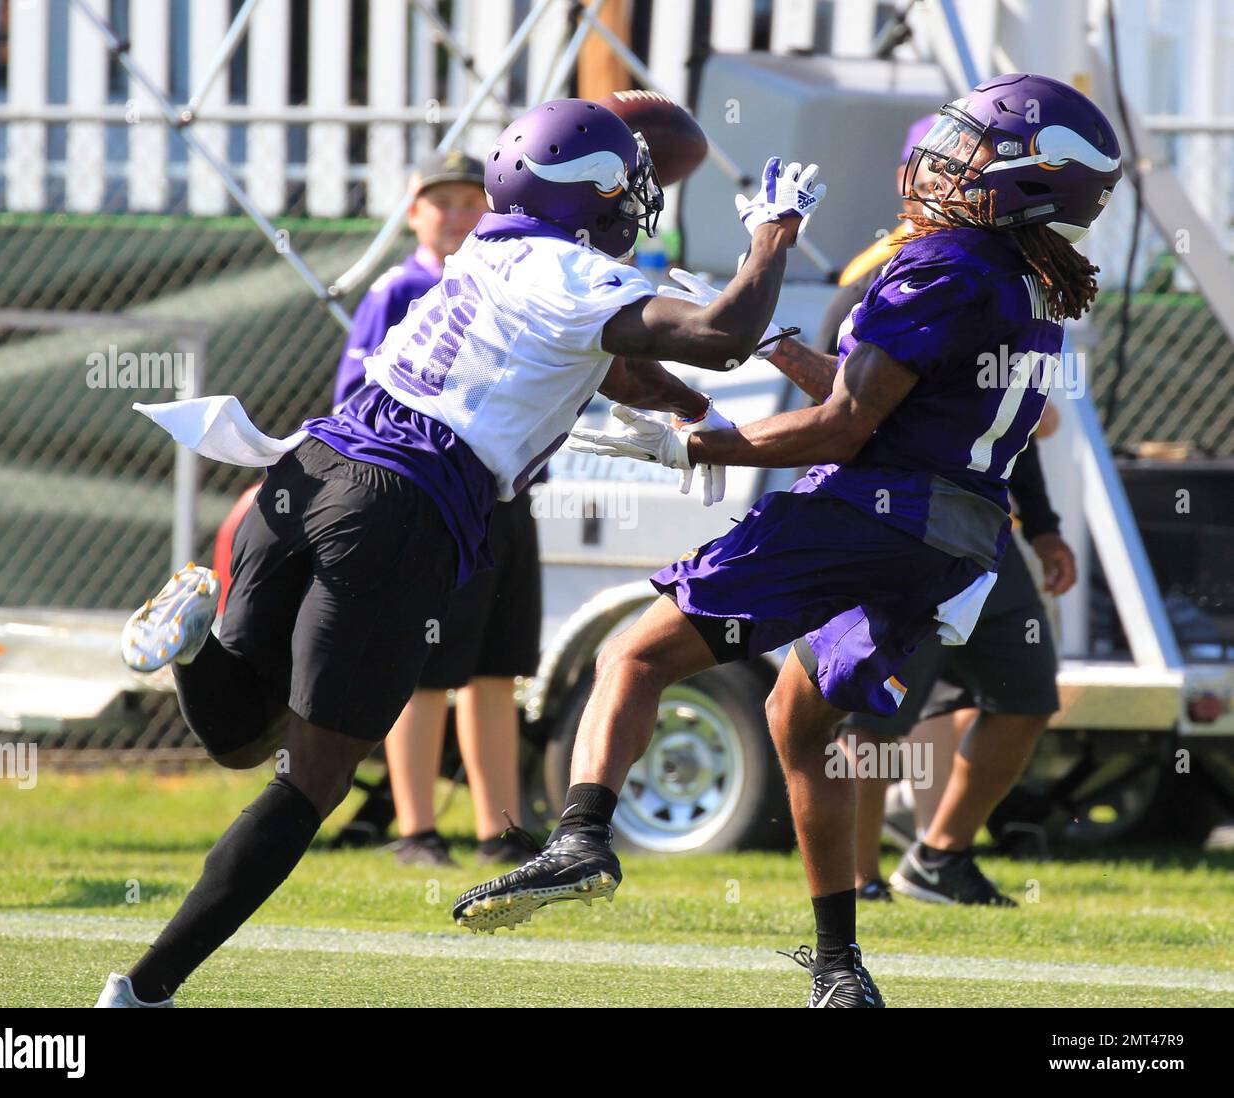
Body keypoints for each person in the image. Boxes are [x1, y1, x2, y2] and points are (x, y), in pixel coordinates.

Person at [98, 98, 820, 1007]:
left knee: (240, 738)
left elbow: (609, 359)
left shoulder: (486, 245)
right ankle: (144, 991)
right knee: (308, 786)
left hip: (310, 469)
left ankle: (195, 643)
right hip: (398, 511)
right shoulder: (571, 275)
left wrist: (682, 409)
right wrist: (774, 235)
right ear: (590, 193)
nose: (639, 198)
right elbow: (723, 335)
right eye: (626, 185)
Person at [454, 73, 1122, 1010]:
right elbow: (887, 407)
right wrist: (772, 347)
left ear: (1027, 175)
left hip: (868, 511)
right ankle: (842, 970)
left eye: (967, 150)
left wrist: (701, 442)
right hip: (954, 539)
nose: (938, 164)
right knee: (802, 723)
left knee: (632, 658)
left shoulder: (942, 264)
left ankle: (579, 839)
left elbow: (848, 429)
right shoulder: (1029, 278)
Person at [809, 118, 1077, 905]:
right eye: (958, 167)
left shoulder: (1010, 273)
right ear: (918, 176)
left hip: (983, 523)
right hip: (896, 519)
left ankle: (938, 857)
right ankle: (858, 884)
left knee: (1026, 695)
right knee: (873, 714)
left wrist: (1047, 523)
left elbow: (1011, 427)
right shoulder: (890, 272)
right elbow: (839, 410)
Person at [334, 151, 537, 868]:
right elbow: (356, 401)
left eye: (469, 201)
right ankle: (415, 829)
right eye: (440, 201)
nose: (456, 215)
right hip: (435, 501)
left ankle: (499, 831)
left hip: (505, 498)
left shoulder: (512, 287)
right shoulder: (401, 290)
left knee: (494, 671)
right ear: (414, 212)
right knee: (425, 671)